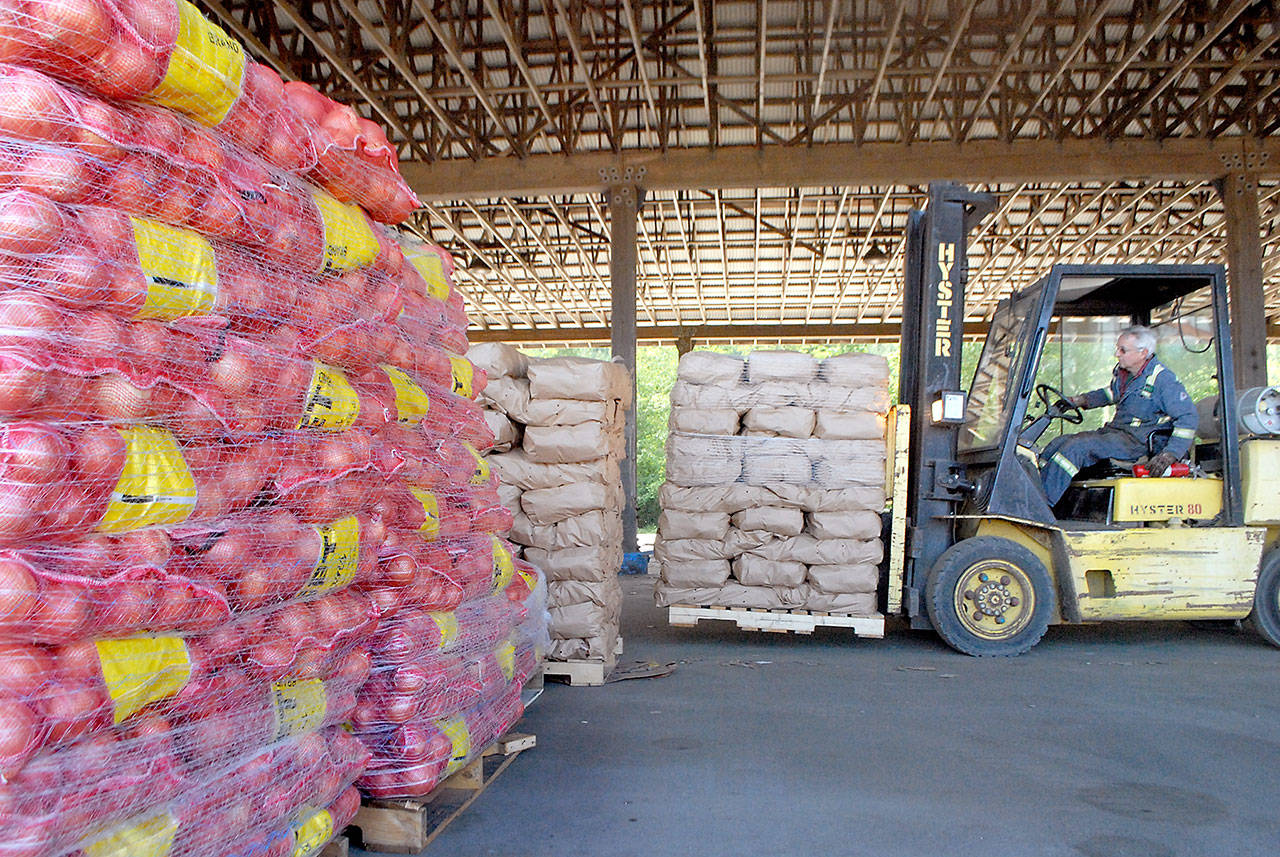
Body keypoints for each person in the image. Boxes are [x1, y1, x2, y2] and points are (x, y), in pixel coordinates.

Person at [1040, 325, 1198, 506]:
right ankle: (1039, 494)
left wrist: (1170, 454)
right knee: (1057, 444)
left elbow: (1188, 417)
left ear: (1142, 353)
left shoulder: (1162, 380)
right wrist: (1079, 400)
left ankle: (1041, 506)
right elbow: (1111, 394)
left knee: (1077, 447)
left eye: (1123, 350)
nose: (1117, 354)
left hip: (1137, 442)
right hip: (1117, 433)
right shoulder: (1125, 375)